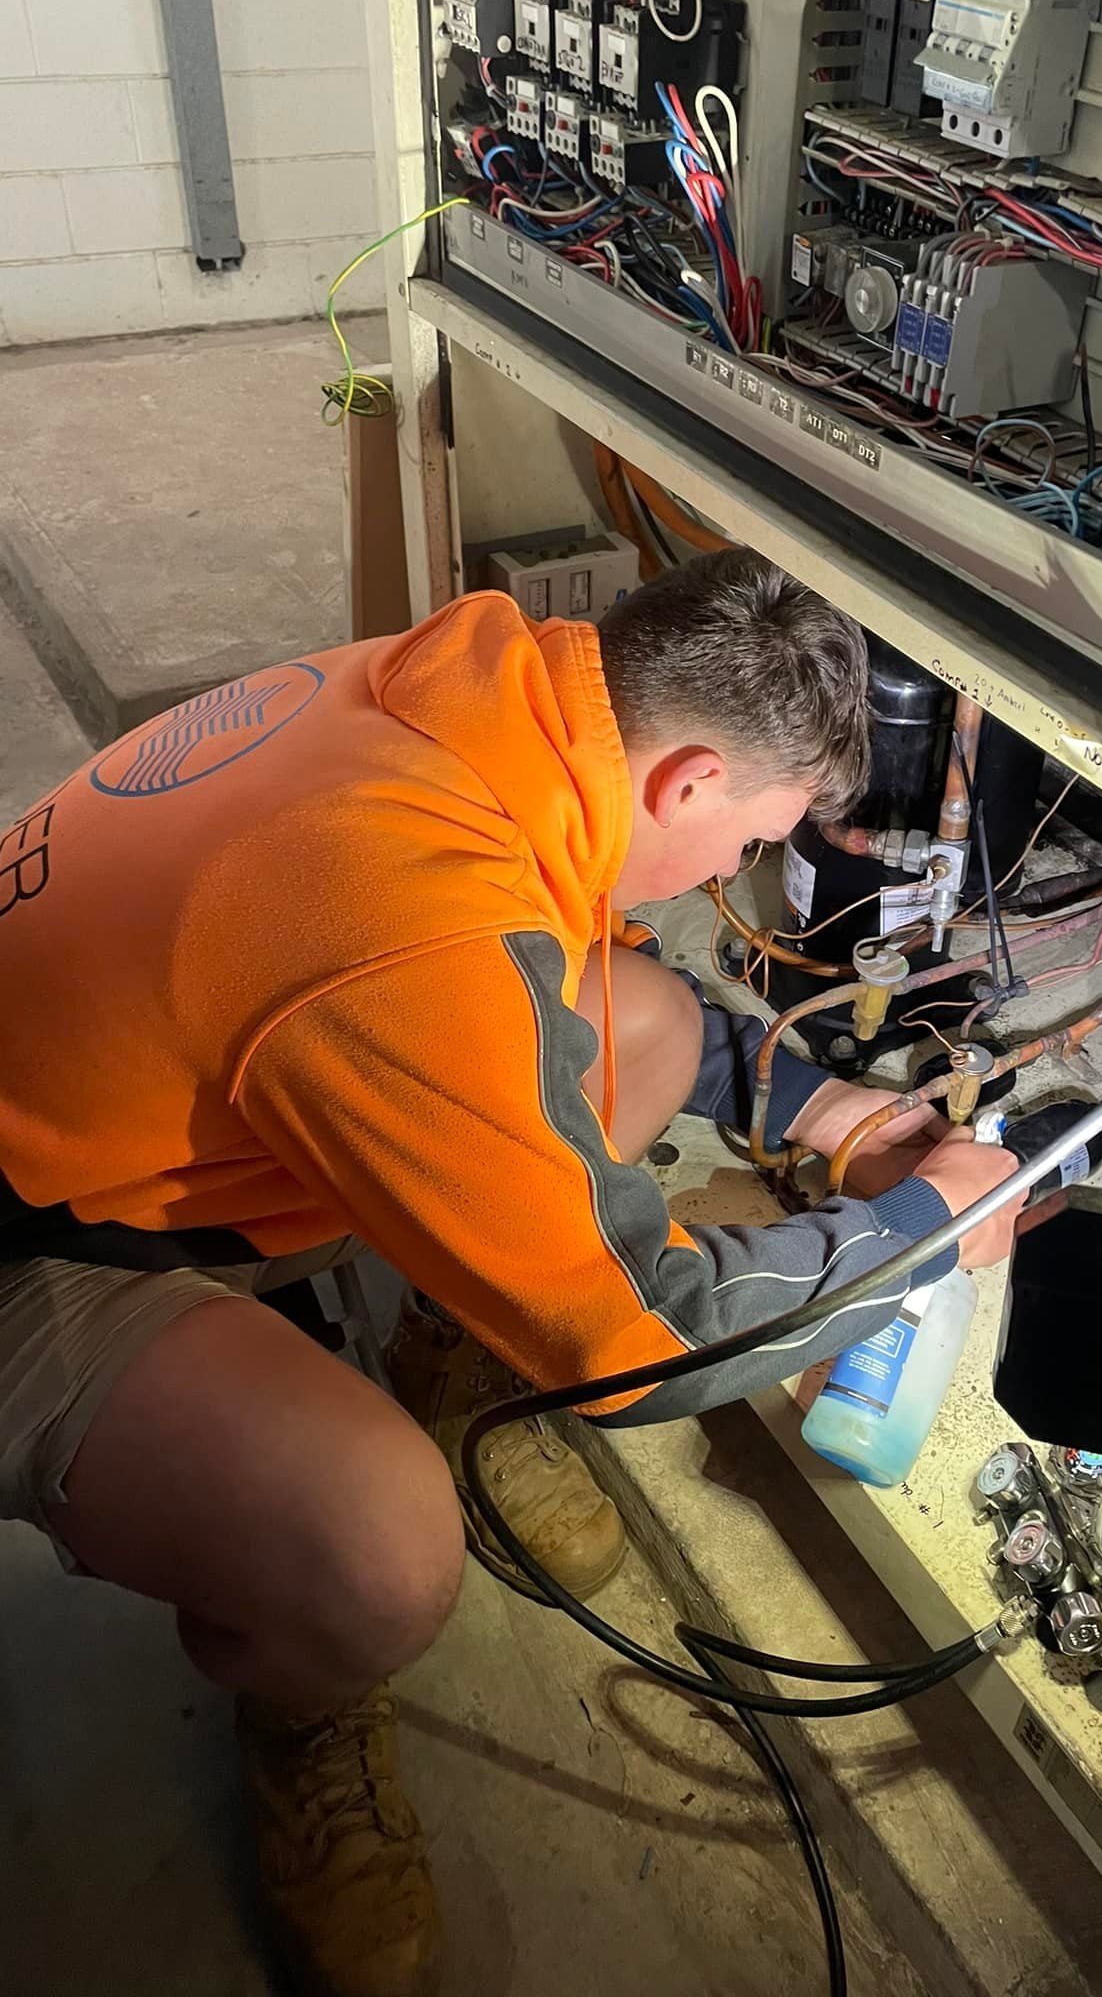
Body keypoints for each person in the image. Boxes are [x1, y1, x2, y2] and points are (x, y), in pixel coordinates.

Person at [0, 546, 1022, 1997]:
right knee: (375, 1545)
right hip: (29, 1240)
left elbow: (545, 997)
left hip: (109, 1104)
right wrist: (920, 1228)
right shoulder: (397, 908)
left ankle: (452, 1367)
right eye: (745, 844)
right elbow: (641, 1337)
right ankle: (306, 1701)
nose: (729, 877)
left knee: (650, 1020)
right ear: (683, 783)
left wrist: (819, 1106)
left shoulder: (484, 700)